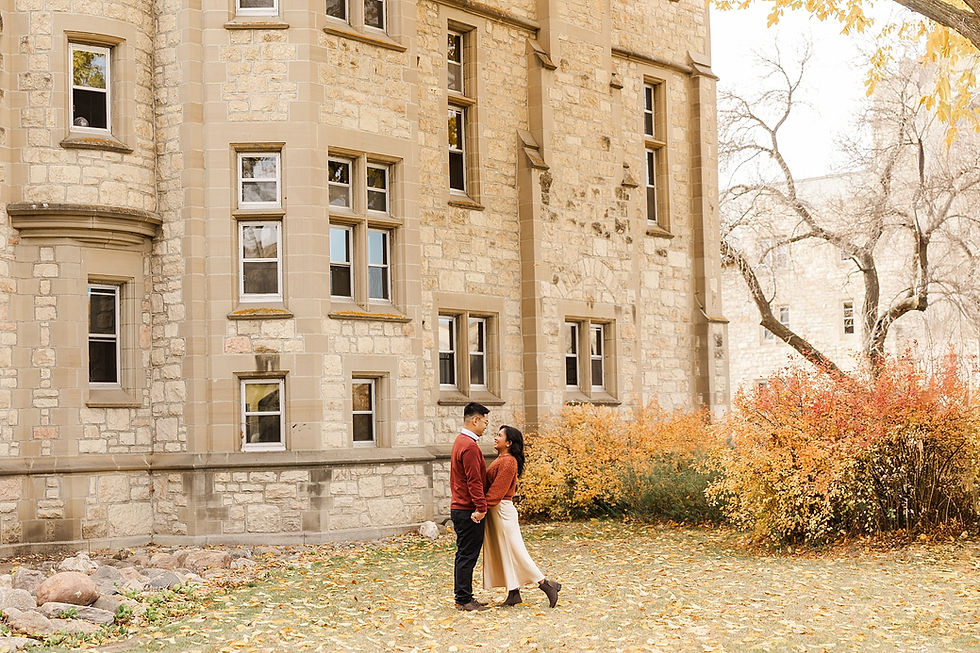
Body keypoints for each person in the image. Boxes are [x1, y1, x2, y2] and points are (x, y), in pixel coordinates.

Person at [482, 425, 561, 608]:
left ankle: (547, 585)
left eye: (499, 435)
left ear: (509, 443)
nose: (495, 438)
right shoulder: (501, 459)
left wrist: (480, 508)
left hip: (502, 511)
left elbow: (497, 492)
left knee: (516, 552)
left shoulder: (509, 462)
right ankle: (514, 594)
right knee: (504, 553)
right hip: (496, 512)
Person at [450, 402, 491, 611]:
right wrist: (481, 508)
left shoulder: (460, 441)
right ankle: (464, 599)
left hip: (459, 507)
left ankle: (462, 597)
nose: (486, 426)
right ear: (474, 420)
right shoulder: (469, 447)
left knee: (463, 554)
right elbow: (474, 481)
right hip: (468, 510)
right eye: (485, 422)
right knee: (467, 555)